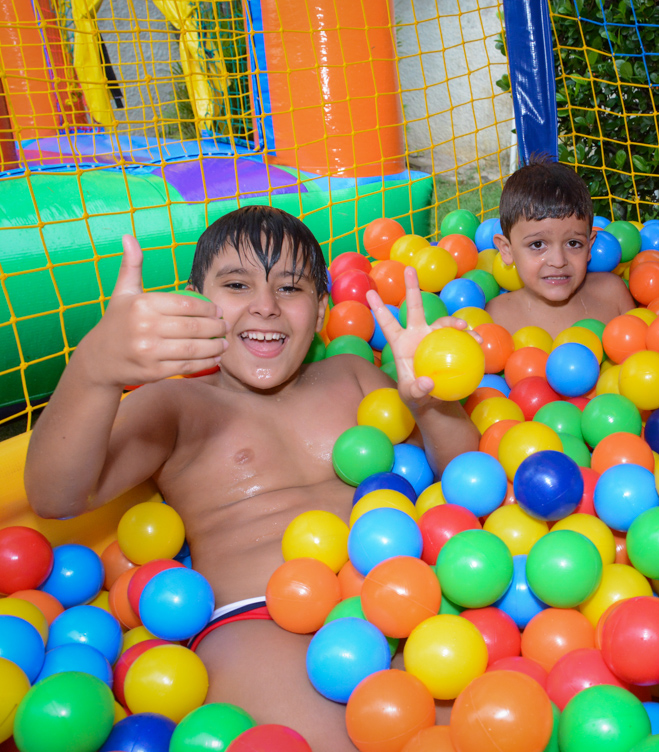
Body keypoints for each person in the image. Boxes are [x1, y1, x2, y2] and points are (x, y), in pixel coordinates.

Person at [24, 205, 480, 750]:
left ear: (322, 310)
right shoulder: (178, 404)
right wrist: (93, 371)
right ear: (198, 301)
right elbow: (55, 496)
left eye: (290, 289)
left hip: (408, 595)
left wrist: (430, 403)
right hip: (262, 619)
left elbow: (465, 480)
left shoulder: (352, 374)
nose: (264, 307)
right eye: (237, 285)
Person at [486, 159, 635, 336]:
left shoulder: (613, 295)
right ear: (506, 250)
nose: (558, 261)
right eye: (537, 244)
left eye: (573, 243)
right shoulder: (496, 317)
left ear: (589, 246)